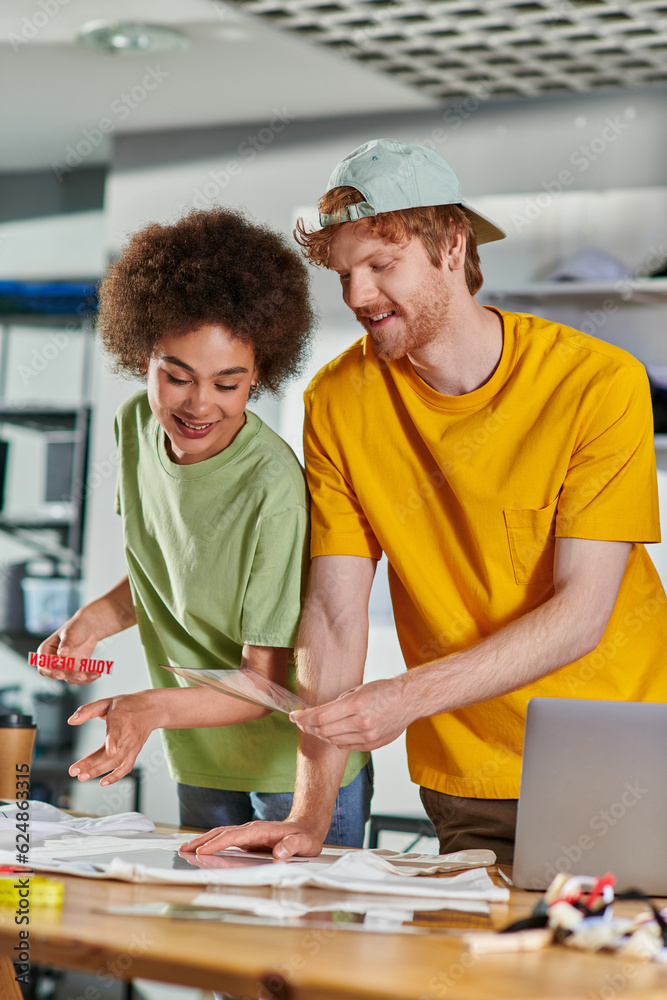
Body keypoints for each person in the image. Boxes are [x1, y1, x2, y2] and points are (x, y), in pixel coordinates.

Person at [182, 139, 667, 865]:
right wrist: (309, 817)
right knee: (470, 974)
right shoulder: (338, 401)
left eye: (381, 266)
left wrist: (403, 699)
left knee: (613, 973)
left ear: (451, 245)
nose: (357, 297)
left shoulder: (598, 384)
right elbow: (333, 614)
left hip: (615, 758)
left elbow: (579, 615)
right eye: (345, 273)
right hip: (462, 774)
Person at [35, 207, 371, 842]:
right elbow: (172, 573)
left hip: (288, 770)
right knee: (205, 925)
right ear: (143, 357)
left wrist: (148, 708)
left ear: (260, 374)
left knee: (299, 939)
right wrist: (91, 624)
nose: (198, 404)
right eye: (177, 376)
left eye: (228, 383)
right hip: (201, 758)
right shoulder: (136, 426)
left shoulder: (272, 486)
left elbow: (263, 683)